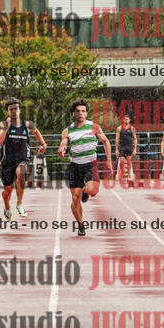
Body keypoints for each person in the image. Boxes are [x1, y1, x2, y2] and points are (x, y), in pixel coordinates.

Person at [58, 99, 112, 236]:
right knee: (75, 198)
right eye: (78, 111)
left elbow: (106, 141)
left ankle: (85, 191)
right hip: (75, 166)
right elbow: (63, 144)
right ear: (73, 114)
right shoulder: (67, 131)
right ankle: (81, 225)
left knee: (92, 190)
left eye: (83, 111)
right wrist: (61, 150)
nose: (81, 113)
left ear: (86, 113)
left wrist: (109, 160)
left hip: (90, 164)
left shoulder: (94, 127)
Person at [0, 98, 47, 221]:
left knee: (21, 174)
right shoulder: (3, 125)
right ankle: (7, 207)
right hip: (8, 160)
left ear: (20, 110)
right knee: (7, 191)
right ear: (8, 111)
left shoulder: (27, 124)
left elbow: (36, 132)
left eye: (16, 108)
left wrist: (43, 144)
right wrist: (7, 128)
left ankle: (19, 203)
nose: (14, 111)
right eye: (11, 109)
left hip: (22, 158)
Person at [115, 115, 137, 184]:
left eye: (127, 119)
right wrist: (116, 149)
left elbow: (135, 138)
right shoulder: (119, 128)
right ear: (123, 120)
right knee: (121, 161)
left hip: (129, 147)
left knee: (129, 162)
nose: (126, 120)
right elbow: (117, 139)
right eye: (125, 119)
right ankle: (122, 174)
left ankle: (129, 177)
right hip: (122, 147)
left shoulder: (132, 128)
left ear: (129, 120)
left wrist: (135, 149)